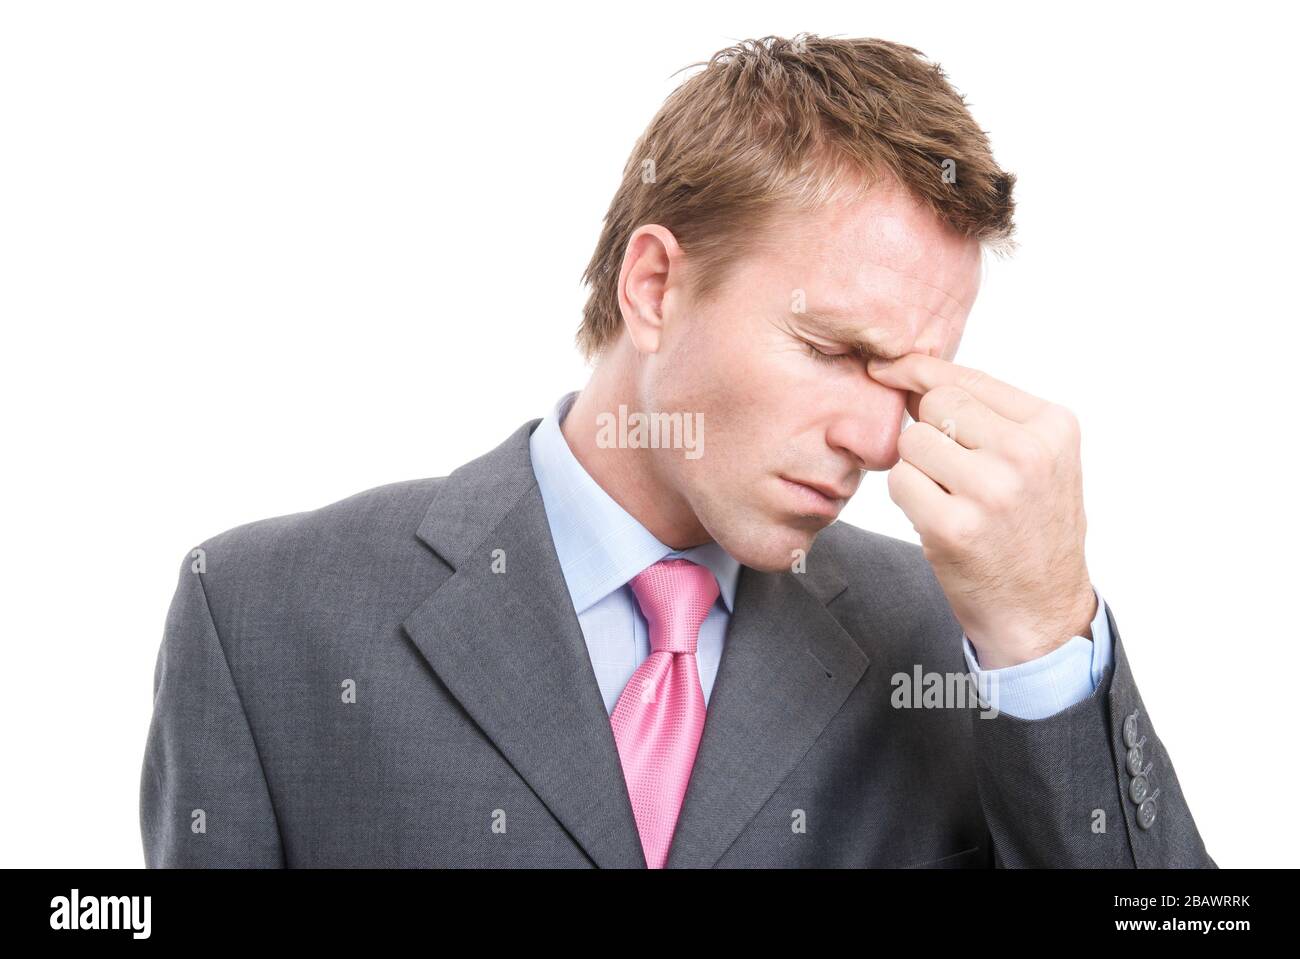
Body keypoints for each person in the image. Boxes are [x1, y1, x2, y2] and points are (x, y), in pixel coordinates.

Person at [140, 34, 1214, 868]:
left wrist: (1042, 641)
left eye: (909, 380)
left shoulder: (961, 649)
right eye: (835, 349)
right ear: (654, 286)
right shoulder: (262, 612)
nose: (881, 438)